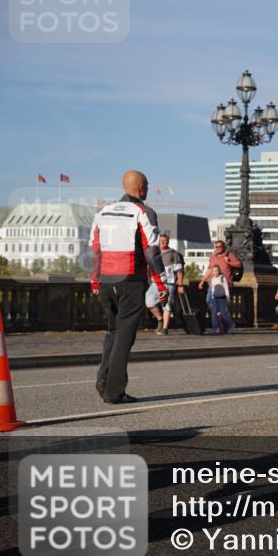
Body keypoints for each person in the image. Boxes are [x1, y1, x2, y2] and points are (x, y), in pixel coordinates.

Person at [90, 170, 167, 404]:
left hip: (105, 282)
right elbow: (151, 251)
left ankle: (103, 379)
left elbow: (94, 250)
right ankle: (114, 392)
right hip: (130, 281)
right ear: (142, 187)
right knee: (125, 337)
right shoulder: (144, 212)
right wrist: (161, 283)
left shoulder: (103, 212)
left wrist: (95, 281)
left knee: (113, 332)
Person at [198, 239, 242, 333]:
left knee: (223, 308)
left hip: (225, 284)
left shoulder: (229, 255)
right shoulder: (213, 257)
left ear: (224, 247)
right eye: (216, 246)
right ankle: (220, 323)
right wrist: (202, 281)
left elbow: (238, 264)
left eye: (219, 246)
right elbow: (210, 270)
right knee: (209, 301)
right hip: (213, 285)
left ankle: (223, 326)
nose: (218, 248)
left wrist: (229, 262)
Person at [156, 234, 184, 335]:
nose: (163, 242)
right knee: (149, 302)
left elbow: (179, 270)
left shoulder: (173, 253)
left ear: (168, 242)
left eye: (165, 241)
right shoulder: (155, 253)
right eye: (161, 241)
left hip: (169, 283)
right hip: (155, 283)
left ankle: (165, 328)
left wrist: (180, 285)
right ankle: (160, 319)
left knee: (167, 305)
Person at [207, 265, 232, 333]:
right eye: (214, 271)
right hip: (215, 298)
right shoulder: (212, 279)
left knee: (223, 313)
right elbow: (212, 290)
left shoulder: (222, 278)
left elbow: (226, 288)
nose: (215, 272)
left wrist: (227, 297)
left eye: (216, 271)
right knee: (214, 313)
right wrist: (212, 298)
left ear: (219, 271)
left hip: (222, 298)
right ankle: (215, 328)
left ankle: (230, 325)